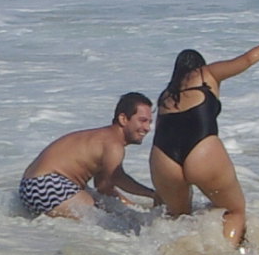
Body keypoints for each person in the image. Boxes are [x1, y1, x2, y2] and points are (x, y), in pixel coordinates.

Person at [151, 24, 259, 247]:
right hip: (201, 151)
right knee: (235, 211)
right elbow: (248, 59)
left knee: (179, 217)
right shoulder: (207, 74)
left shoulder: (166, 94)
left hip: (163, 158)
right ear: (198, 67)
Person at [14, 92, 157, 221]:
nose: (147, 128)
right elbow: (117, 177)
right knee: (106, 223)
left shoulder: (102, 139)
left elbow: (104, 188)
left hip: (29, 186)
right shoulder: (114, 145)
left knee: (109, 210)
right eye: (142, 120)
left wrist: (137, 210)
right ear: (123, 119)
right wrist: (153, 194)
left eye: (149, 122)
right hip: (47, 184)